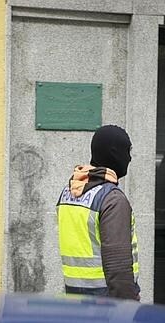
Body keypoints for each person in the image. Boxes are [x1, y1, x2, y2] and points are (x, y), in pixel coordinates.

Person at [56, 125, 140, 300]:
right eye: (127, 151)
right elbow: (118, 268)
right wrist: (127, 308)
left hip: (75, 301)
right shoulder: (113, 199)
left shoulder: (68, 193)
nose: (130, 158)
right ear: (114, 153)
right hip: (107, 306)